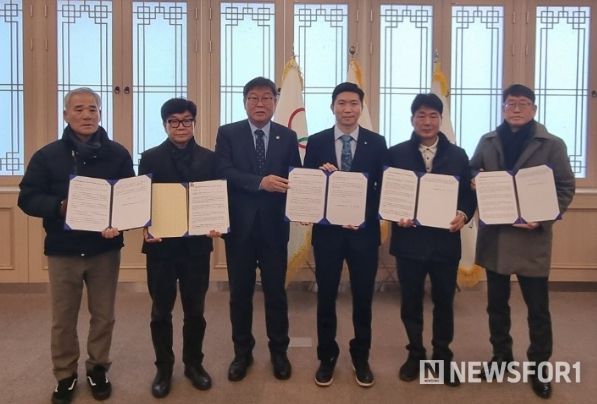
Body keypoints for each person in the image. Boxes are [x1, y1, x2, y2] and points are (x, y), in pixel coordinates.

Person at [18, 87, 134, 404]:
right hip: (63, 250)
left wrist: (120, 222)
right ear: (65, 115)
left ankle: (98, 368)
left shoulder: (118, 154)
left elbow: (129, 199)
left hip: (104, 250)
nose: (86, 115)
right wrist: (59, 207)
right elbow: (27, 198)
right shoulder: (47, 156)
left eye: (92, 109)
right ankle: (65, 376)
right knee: (63, 319)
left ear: (100, 114)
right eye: (79, 109)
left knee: (104, 316)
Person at [470, 84, 575, 399]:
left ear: (534, 109)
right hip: (497, 237)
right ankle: (501, 357)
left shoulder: (552, 144)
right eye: (511, 104)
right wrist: (475, 180)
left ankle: (539, 367)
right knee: (496, 305)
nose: (516, 109)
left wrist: (543, 218)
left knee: (538, 309)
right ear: (503, 108)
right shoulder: (488, 141)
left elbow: (565, 187)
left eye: (523, 104)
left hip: (532, 238)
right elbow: (473, 169)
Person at [215, 77, 301, 382]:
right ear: (244, 102)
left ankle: (279, 351)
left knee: (276, 294)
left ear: (275, 102)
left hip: (274, 228)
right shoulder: (228, 133)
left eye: (266, 98)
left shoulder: (287, 136)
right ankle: (242, 353)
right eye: (253, 98)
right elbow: (223, 171)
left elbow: (296, 178)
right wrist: (259, 182)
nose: (260, 103)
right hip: (239, 228)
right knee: (240, 294)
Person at [386, 93, 476, 386]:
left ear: (441, 119)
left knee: (444, 302)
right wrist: (395, 215)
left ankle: (442, 356)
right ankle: (415, 353)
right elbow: (388, 193)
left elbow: (469, 193)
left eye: (433, 116)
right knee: (410, 302)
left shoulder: (459, 155)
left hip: (445, 242)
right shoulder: (396, 153)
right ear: (412, 119)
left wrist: (463, 213)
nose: (427, 121)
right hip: (409, 242)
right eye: (421, 115)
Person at [303, 82, 387, 388]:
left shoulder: (377, 143)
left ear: (361, 108)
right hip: (328, 235)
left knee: (363, 298)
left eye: (353, 103)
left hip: (363, 234)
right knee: (326, 297)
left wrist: (363, 215)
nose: (347, 109)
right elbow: (308, 187)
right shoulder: (317, 142)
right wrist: (321, 178)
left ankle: (360, 356)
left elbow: (384, 189)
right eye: (342, 103)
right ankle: (326, 356)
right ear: (332, 107)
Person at [138, 98, 220, 398]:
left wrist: (217, 222)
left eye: (186, 120)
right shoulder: (149, 158)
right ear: (165, 125)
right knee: (161, 311)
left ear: (194, 123)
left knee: (195, 311)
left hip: (196, 248)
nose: (181, 126)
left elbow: (217, 198)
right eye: (174, 121)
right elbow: (141, 201)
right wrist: (144, 225)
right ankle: (163, 368)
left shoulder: (210, 159)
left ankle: (194, 364)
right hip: (160, 248)